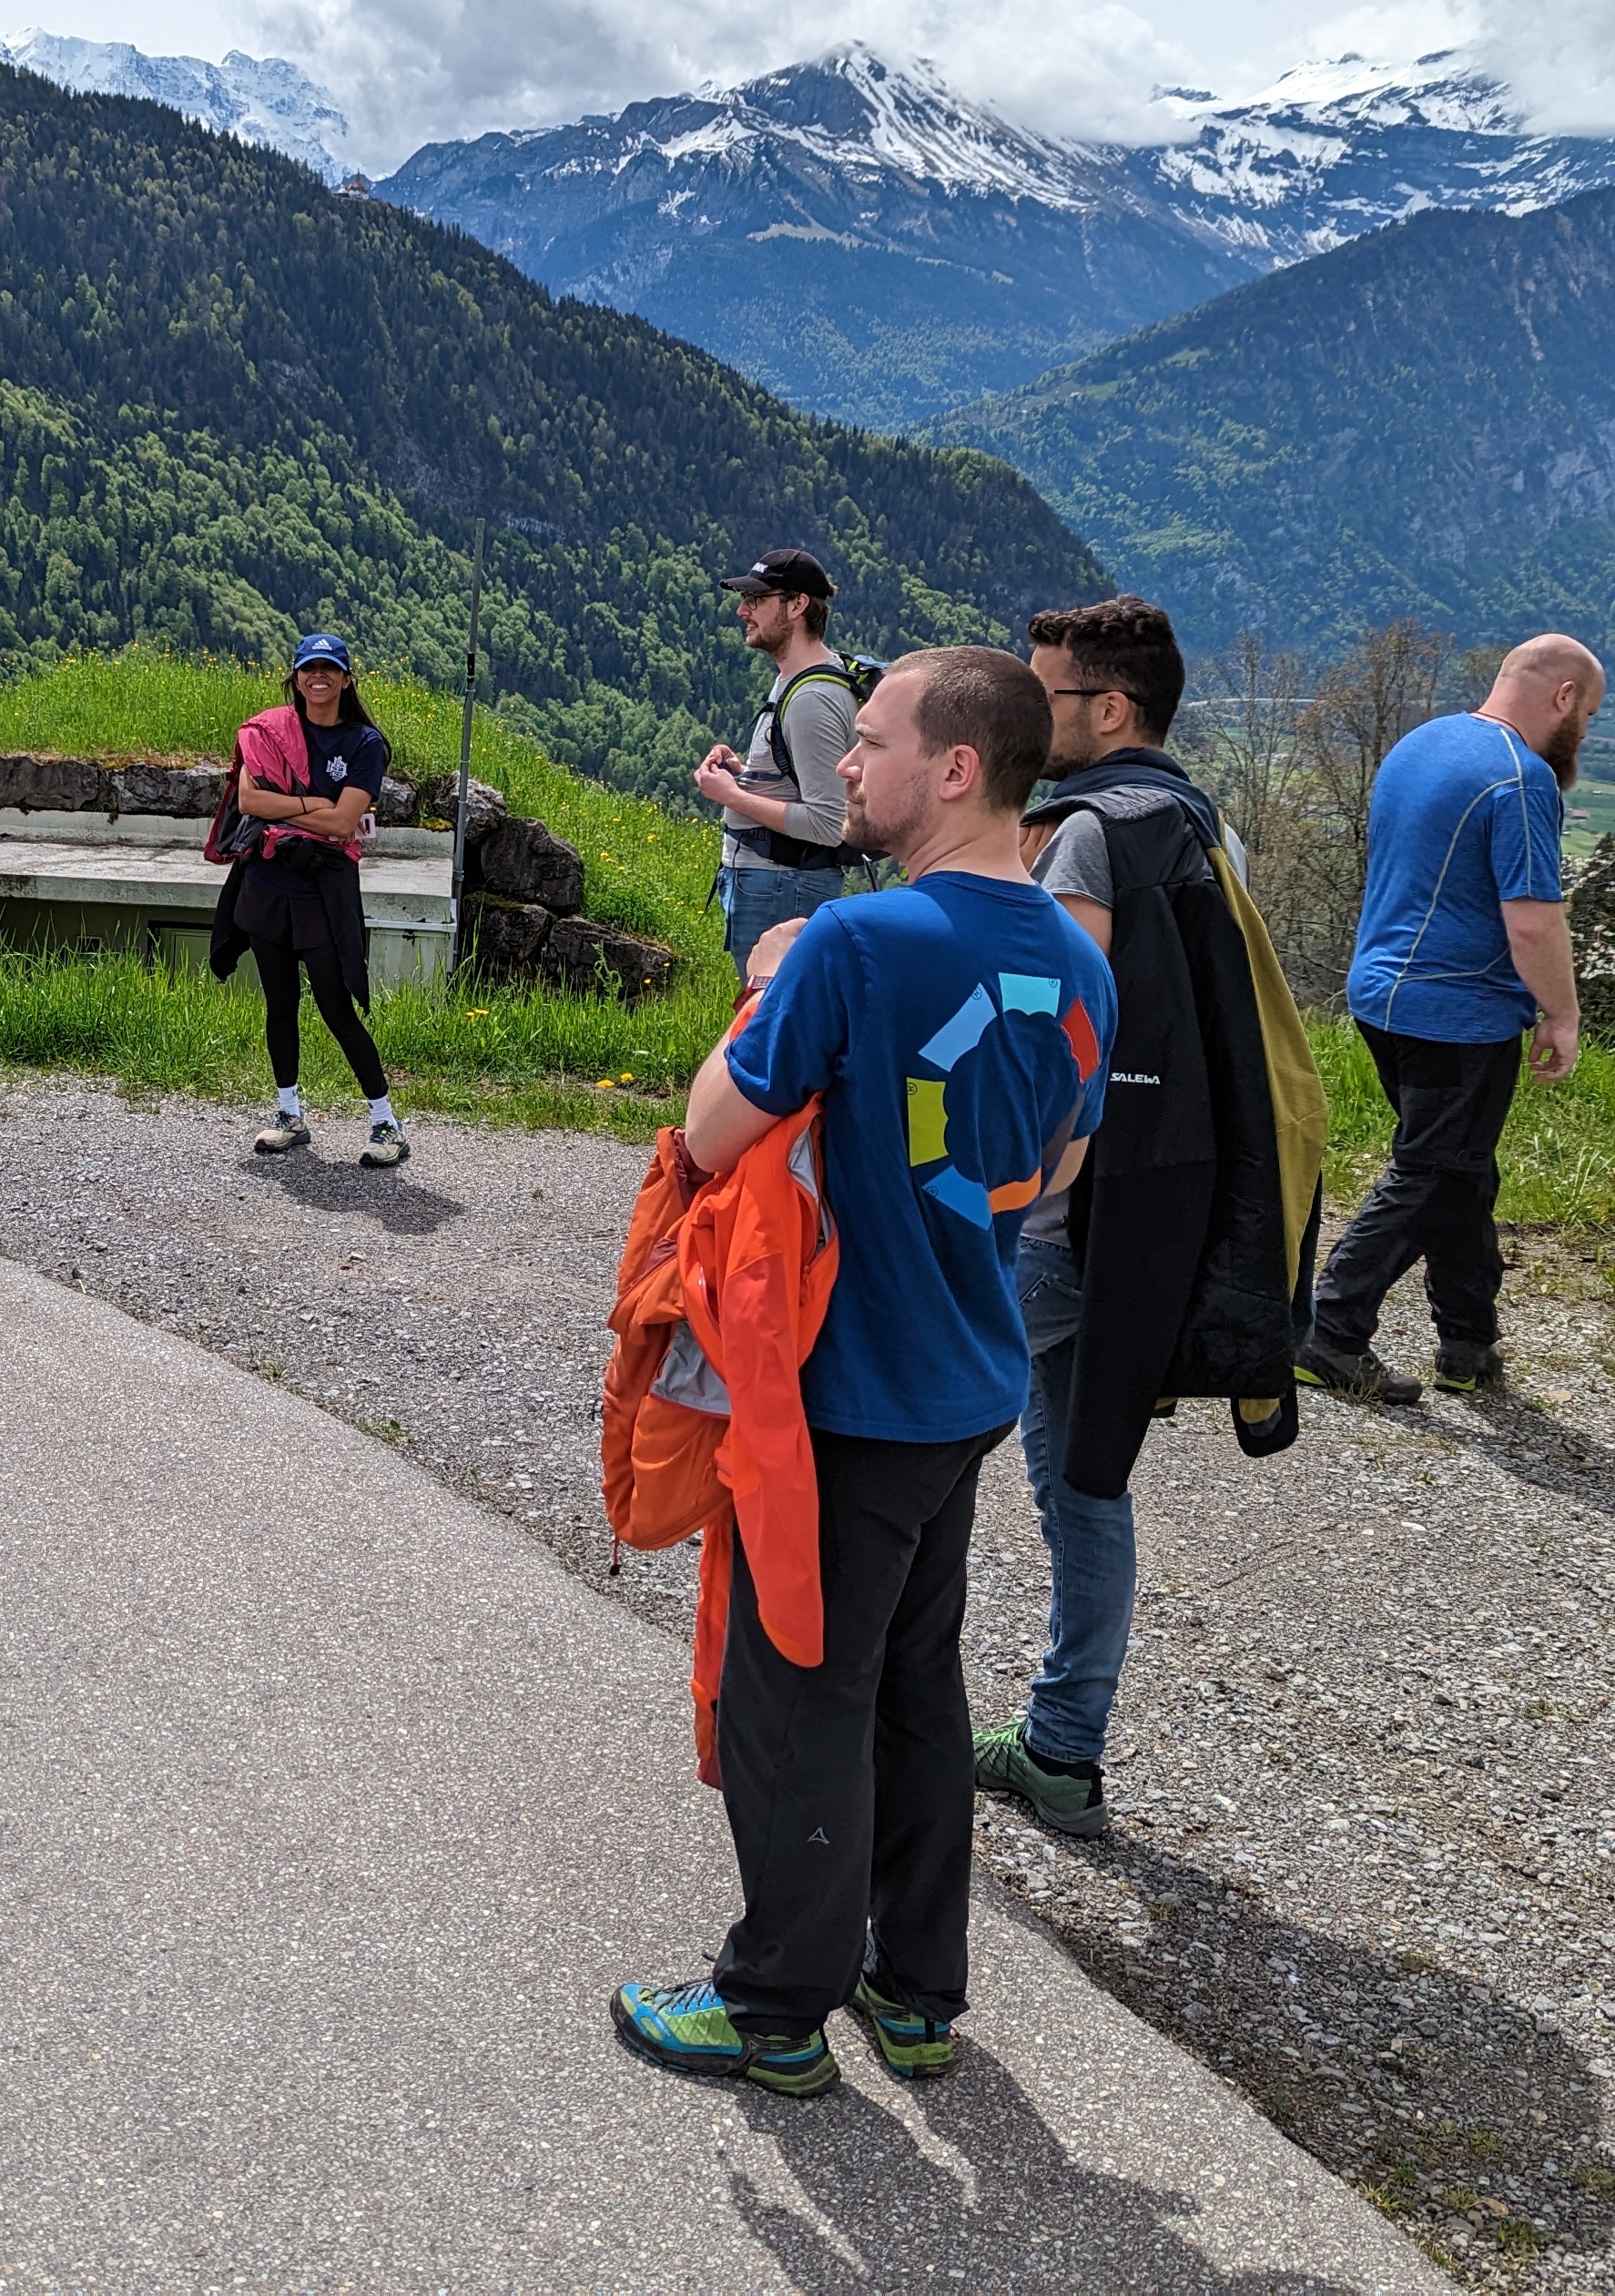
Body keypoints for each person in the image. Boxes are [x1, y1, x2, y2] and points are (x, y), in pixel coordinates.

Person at [612, 647, 1112, 2097]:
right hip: (966, 1379)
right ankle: (916, 1996)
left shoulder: (849, 944)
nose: (844, 761)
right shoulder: (1082, 960)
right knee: (914, 1688)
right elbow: (1057, 1162)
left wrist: (769, 988)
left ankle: (772, 2007)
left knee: (798, 1701)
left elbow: (711, 1132)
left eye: (873, 739)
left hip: (838, 1397)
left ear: (954, 769)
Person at [973, 595, 1314, 1840]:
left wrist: (998, 1197)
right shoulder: (1188, 820)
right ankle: (1062, 1745)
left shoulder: (1083, 838)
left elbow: (1050, 1039)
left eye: (1040, 693)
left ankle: (894, 1717)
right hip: (1150, 1212)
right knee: (1084, 1473)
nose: (1021, 711)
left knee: (957, 1454)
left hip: (1060, 1225)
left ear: (1106, 709)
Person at [1304, 634, 1602, 1405]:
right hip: (1456, 1011)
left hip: (1380, 996)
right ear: (1562, 697)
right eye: (1589, 714)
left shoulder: (1422, 742)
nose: (1585, 733)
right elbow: (1533, 921)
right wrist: (1562, 1014)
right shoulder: (1519, 778)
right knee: (1431, 1172)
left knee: (1462, 1171)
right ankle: (1329, 1331)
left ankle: (1467, 1345)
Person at [218, 632, 407, 1169]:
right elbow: (249, 800)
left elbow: (346, 823)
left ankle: (386, 1123)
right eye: (308, 668)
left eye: (329, 668)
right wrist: (311, 806)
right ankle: (289, 1116)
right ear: (295, 676)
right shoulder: (270, 731)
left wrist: (286, 813)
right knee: (280, 1006)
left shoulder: (365, 744)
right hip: (267, 886)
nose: (317, 677)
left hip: (322, 895)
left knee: (337, 1010)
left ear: (346, 679)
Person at [696, 548, 857, 970]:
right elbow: (798, 784)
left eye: (757, 600)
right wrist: (745, 775)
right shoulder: (794, 680)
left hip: (783, 886)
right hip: (773, 881)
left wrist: (732, 796)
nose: (742, 610)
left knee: (769, 1016)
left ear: (797, 605)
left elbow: (826, 823)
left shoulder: (813, 698)